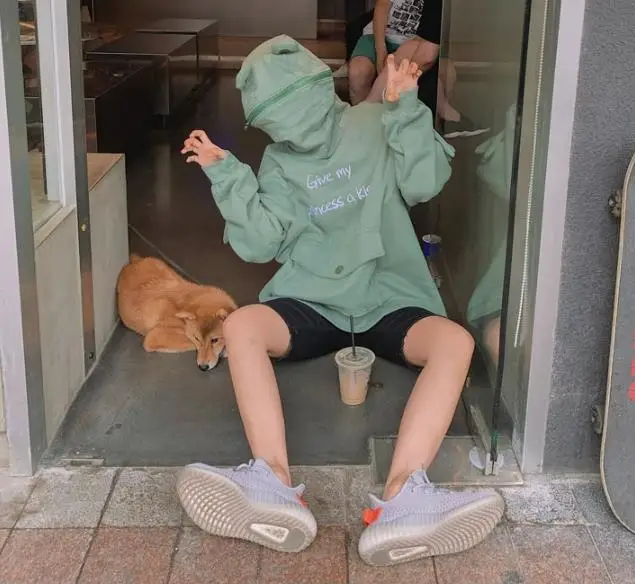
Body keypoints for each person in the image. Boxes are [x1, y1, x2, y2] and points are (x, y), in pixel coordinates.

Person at [177, 35, 504, 567]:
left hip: (388, 294)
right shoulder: (278, 162)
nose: (293, 131)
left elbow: (425, 182)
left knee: (455, 342)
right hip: (313, 298)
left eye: (297, 111)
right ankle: (271, 480)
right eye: (277, 123)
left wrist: (405, 108)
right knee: (241, 326)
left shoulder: (373, 122)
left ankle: (403, 496)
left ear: (319, 91)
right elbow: (261, 243)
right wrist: (227, 174)